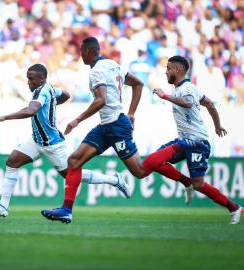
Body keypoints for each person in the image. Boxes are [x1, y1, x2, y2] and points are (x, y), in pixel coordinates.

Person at [40, 37, 194, 224]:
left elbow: (101, 100)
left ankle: (181, 158)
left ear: (90, 51)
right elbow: (138, 84)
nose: (80, 54)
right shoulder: (112, 65)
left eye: (82, 51)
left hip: (117, 127)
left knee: (139, 171)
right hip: (108, 125)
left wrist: (77, 120)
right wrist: (131, 113)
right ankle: (66, 210)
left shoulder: (96, 71)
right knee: (73, 161)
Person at [0, 63, 130, 218]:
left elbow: (31, 110)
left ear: (41, 79)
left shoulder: (41, 91)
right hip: (36, 140)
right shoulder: (49, 89)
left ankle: (114, 180)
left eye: (31, 79)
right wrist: (52, 103)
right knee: (12, 162)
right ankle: (3, 206)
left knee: (71, 174)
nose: (28, 82)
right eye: (28, 78)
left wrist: (5, 117)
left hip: (53, 144)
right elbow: (65, 94)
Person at [145, 55, 242, 224]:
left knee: (199, 184)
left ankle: (234, 208)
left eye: (168, 68)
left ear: (177, 70)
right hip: (184, 140)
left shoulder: (186, 89)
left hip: (197, 142)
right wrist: (217, 126)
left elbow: (188, 103)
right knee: (155, 161)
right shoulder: (189, 87)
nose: (166, 72)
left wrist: (165, 96)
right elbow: (210, 104)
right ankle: (186, 182)